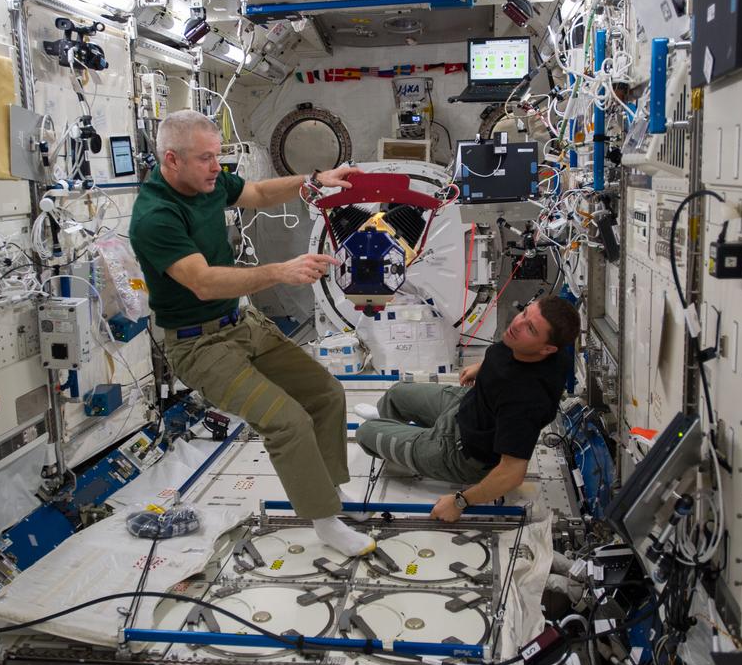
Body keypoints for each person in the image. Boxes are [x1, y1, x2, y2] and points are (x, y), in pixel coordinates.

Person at [128, 110, 376, 557]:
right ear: (171, 160)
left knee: (325, 393)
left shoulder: (205, 180)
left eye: (217, 156)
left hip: (241, 324)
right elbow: (203, 282)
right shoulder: (155, 216)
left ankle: (332, 495)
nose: (216, 167)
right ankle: (324, 522)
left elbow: (258, 192)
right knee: (286, 420)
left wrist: (315, 179)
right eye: (206, 159)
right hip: (197, 344)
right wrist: (280, 271)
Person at [354, 296, 579, 522]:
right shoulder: (532, 345)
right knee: (395, 394)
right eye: (524, 313)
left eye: (530, 328)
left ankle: (401, 443)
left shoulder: (524, 400)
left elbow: (513, 473)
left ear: (548, 349)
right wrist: (481, 368)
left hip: (458, 450)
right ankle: (396, 432)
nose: (517, 324)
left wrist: (460, 501)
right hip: (466, 404)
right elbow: (507, 355)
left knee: (365, 432)